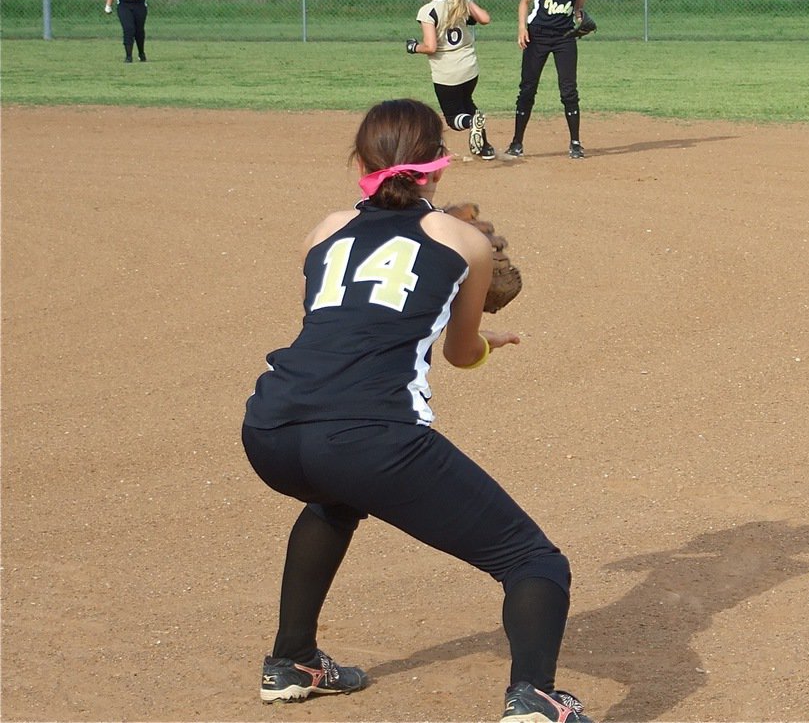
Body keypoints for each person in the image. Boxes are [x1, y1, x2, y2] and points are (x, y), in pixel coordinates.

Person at [241, 99, 592, 723]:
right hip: (370, 436)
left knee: (336, 497)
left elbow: (345, 321)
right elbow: (458, 354)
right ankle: (535, 700)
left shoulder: (324, 229)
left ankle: (291, 661)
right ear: (438, 166)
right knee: (531, 560)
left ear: (362, 161)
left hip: (269, 426)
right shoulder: (464, 242)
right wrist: (487, 339)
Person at [507, 0, 591, 160]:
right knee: (528, 87)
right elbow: (524, 2)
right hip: (538, 35)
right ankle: (517, 142)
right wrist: (522, 28)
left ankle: (575, 142)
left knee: (569, 90)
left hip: (564, 37)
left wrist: (582, 21)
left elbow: (577, 10)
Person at [406, 0, 496, 160]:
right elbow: (485, 18)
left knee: (455, 118)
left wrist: (413, 47)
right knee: (468, 103)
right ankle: (484, 147)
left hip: (447, 72)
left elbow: (430, 47)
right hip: (470, 68)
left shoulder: (428, 11)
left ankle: (471, 123)